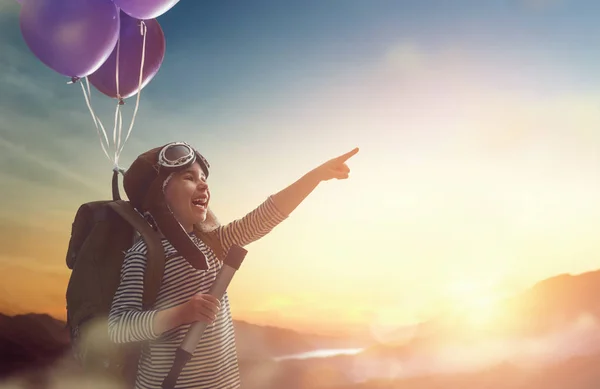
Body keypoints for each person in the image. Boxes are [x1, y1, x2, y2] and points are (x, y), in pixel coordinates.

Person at [108, 141, 359, 389]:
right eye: (189, 177)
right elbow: (118, 327)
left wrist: (315, 177)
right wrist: (180, 313)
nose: (204, 184)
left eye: (204, 177)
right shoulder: (144, 254)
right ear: (157, 193)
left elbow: (265, 217)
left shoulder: (214, 241)